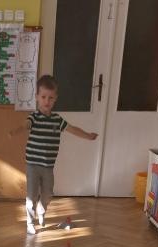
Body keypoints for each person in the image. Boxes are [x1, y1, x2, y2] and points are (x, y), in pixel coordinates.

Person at [10, 74, 98, 235]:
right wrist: (17, 130)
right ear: (37, 97)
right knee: (31, 196)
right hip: (32, 164)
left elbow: (73, 129)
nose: (47, 101)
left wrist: (88, 136)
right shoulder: (34, 117)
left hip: (48, 166)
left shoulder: (57, 120)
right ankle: (30, 222)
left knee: (47, 194)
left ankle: (41, 211)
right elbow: (26, 124)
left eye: (50, 98)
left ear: (55, 99)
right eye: (43, 97)